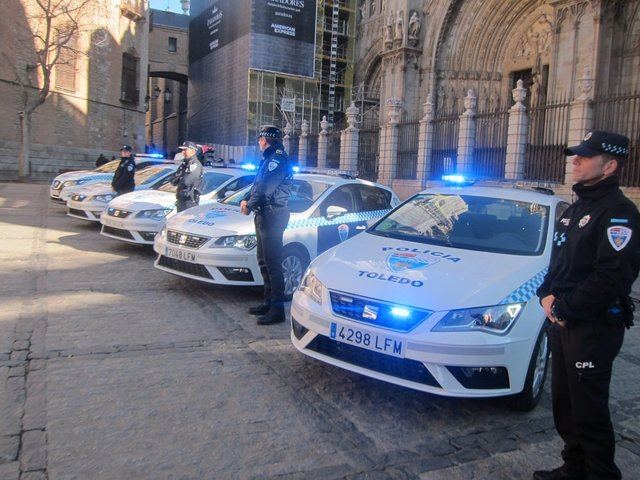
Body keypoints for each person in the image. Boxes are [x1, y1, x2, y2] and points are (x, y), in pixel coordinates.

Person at [534, 130, 639, 480]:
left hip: (592, 327)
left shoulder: (619, 213)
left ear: (609, 166)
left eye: (585, 156)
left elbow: (611, 278)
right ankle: (574, 468)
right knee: (565, 405)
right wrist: (546, 295)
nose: (574, 160)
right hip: (564, 322)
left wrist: (564, 309)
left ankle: (601, 474)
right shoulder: (576, 208)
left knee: (589, 411)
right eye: (575, 154)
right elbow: (559, 261)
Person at [241, 125, 293, 325]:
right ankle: (268, 302)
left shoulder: (277, 160)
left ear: (266, 139)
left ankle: (277, 310)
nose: (258, 142)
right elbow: (256, 185)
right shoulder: (268, 159)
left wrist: (249, 205)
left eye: (260, 138)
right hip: (264, 214)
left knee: (273, 264)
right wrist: (246, 199)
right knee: (263, 261)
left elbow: (265, 190)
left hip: (273, 214)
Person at [172, 141, 203, 212]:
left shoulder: (195, 165)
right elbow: (173, 181)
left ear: (193, 151)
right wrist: (180, 178)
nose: (183, 152)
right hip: (181, 199)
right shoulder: (184, 164)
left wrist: (179, 178)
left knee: (185, 222)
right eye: (182, 150)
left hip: (189, 201)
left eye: (185, 150)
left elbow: (186, 182)